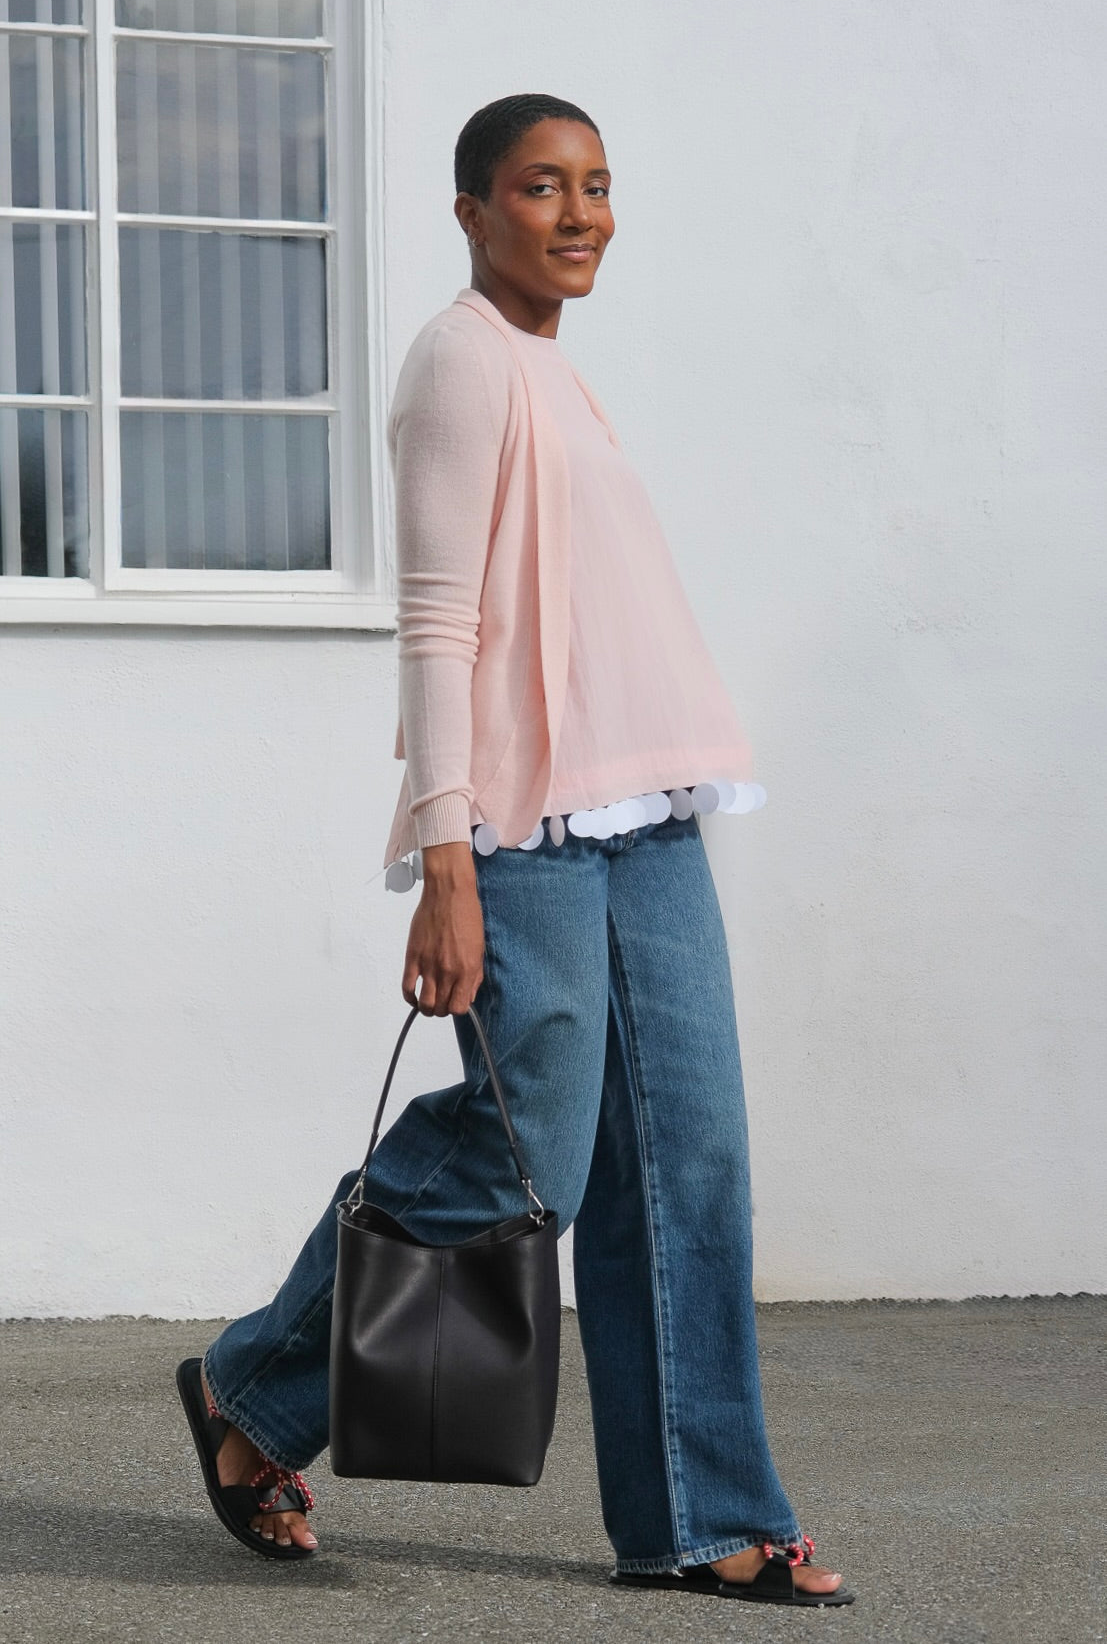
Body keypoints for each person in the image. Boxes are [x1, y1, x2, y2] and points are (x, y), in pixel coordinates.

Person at [177, 93, 855, 1608]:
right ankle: (259, 1388)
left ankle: (705, 1516)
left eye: (598, 186)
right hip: (526, 826)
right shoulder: (462, 360)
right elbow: (439, 623)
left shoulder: (557, 376)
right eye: (541, 188)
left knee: (693, 1166)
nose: (578, 213)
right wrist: (449, 859)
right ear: (474, 210)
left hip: (647, 818)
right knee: (524, 1149)